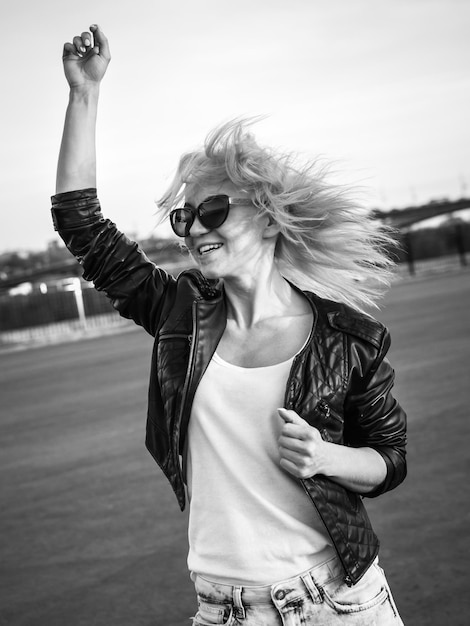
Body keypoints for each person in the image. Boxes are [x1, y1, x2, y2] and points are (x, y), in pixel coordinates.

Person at [52, 24, 407, 626]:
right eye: (184, 216)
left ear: (268, 220)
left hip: (341, 602)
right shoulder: (178, 317)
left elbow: (389, 459)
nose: (194, 229)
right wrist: (84, 95)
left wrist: (327, 458)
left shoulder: (350, 339)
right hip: (225, 609)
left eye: (213, 210)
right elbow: (81, 224)